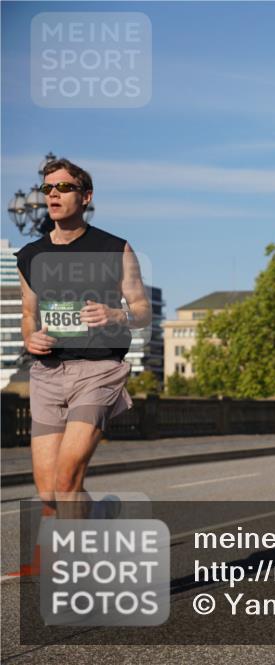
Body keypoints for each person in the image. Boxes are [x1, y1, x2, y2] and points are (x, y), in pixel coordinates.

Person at [16, 158, 151, 520]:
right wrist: (31, 340)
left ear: (86, 196)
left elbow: (142, 310)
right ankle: (100, 513)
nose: (53, 194)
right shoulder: (31, 256)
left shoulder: (114, 248)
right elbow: (29, 315)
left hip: (98, 370)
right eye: (48, 189)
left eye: (64, 187)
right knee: (49, 491)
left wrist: (115, 314)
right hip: (47, 375)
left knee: (67, 478)